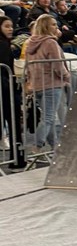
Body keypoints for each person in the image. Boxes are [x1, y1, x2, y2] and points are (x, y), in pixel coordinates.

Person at [25, 15, 70, 153]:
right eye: (53, 25)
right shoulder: (50, 43)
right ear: (45, 26)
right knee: (49, 118)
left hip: (37, 85)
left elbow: (28, 66)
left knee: (48, 117)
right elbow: (57, 64)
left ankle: (54, 145)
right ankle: (38, 145)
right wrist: (66, 76)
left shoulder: (30, 43)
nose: (56, 27)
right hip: (52, 84)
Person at [0, 16, 26, 169]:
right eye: (6, 26)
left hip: (6, 90)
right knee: (14, 124)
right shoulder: (3, 45)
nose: (10, 29)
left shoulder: (6, 44)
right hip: (6, 92)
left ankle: (16, 159)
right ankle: (17, 159)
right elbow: (5, 70)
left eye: (11, 26)